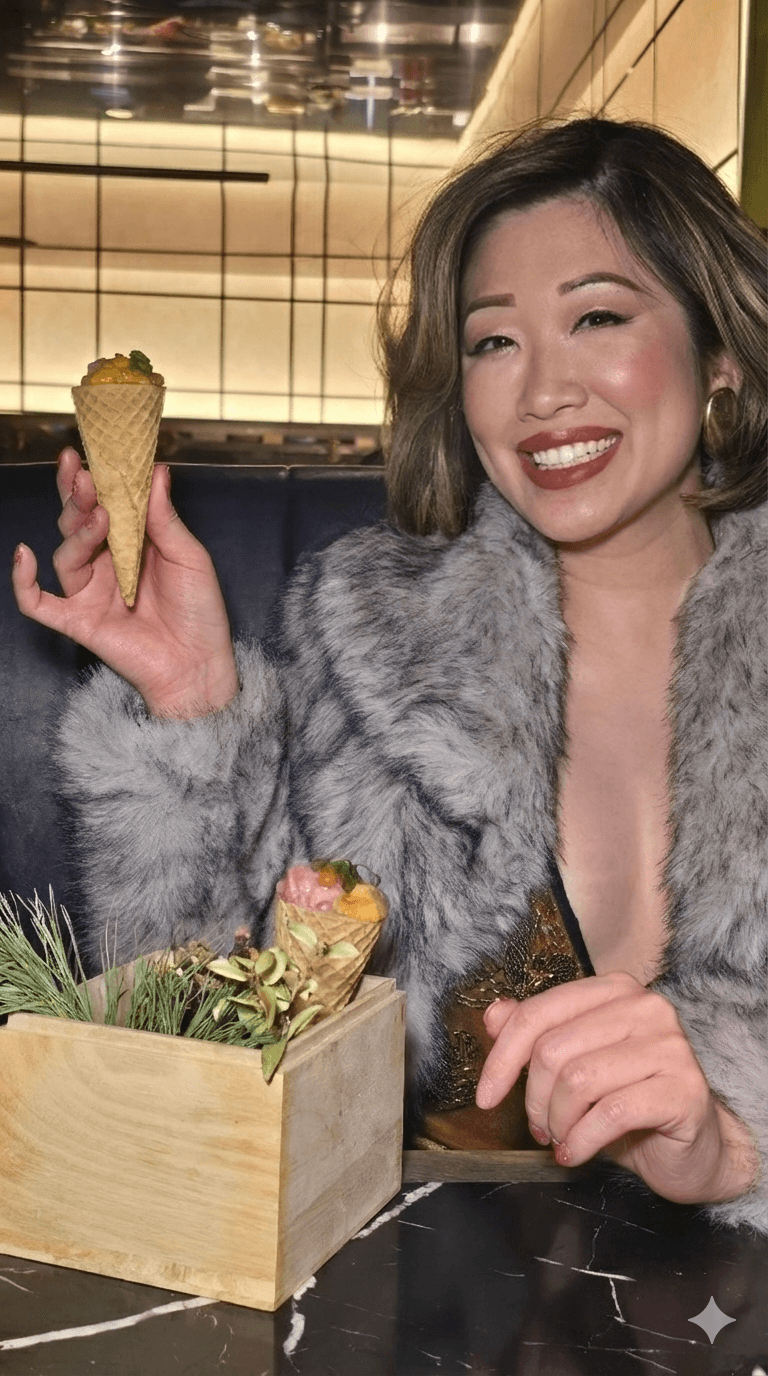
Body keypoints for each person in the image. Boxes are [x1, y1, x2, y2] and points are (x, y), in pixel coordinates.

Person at [12, 117, 767, 1231]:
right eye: (494, 342)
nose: (543, 389)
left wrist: (735, 1134)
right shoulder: (369, 643)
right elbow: (219, 1041)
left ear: (720, 353)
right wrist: (189, 704)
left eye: (598, 317)